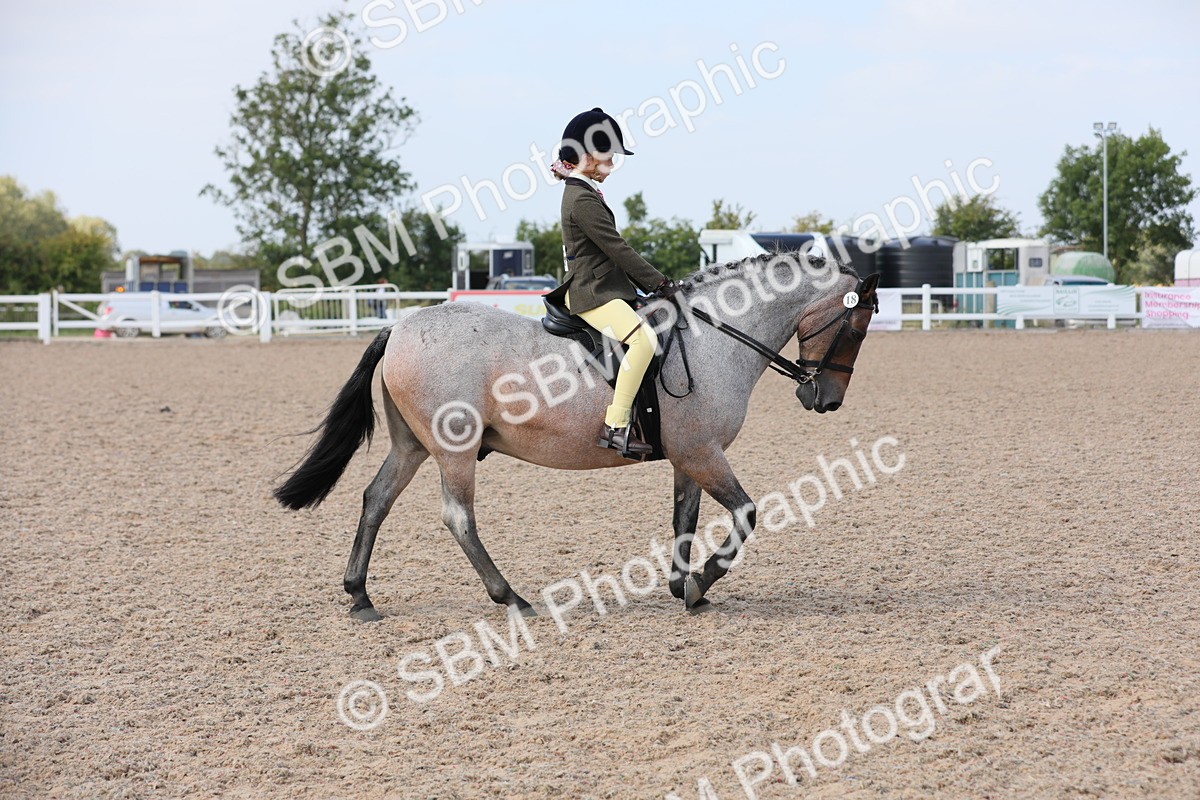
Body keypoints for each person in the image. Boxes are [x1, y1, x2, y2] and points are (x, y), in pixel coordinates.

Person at [547, 107, 678, 457]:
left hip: (604, 288)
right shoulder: (581, 199)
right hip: (591, 294)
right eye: (608, 155)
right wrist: (660, 284)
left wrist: (635, 292)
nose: (612, 163)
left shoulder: (584, 191)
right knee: (644, 342)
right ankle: (616, 425)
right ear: (589, 156)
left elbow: (607, 256)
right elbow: (617, 249)